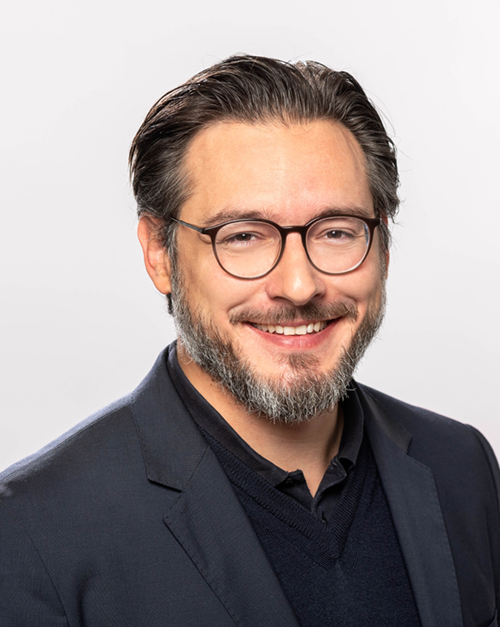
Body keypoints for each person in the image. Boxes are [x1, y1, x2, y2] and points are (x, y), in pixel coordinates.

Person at [0, 55, 498, 627]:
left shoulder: (462, 466)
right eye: (243, 236)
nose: (299, 286)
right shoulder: (31, 533)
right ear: (159, 254)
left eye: (336, 231)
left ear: (382, 245)